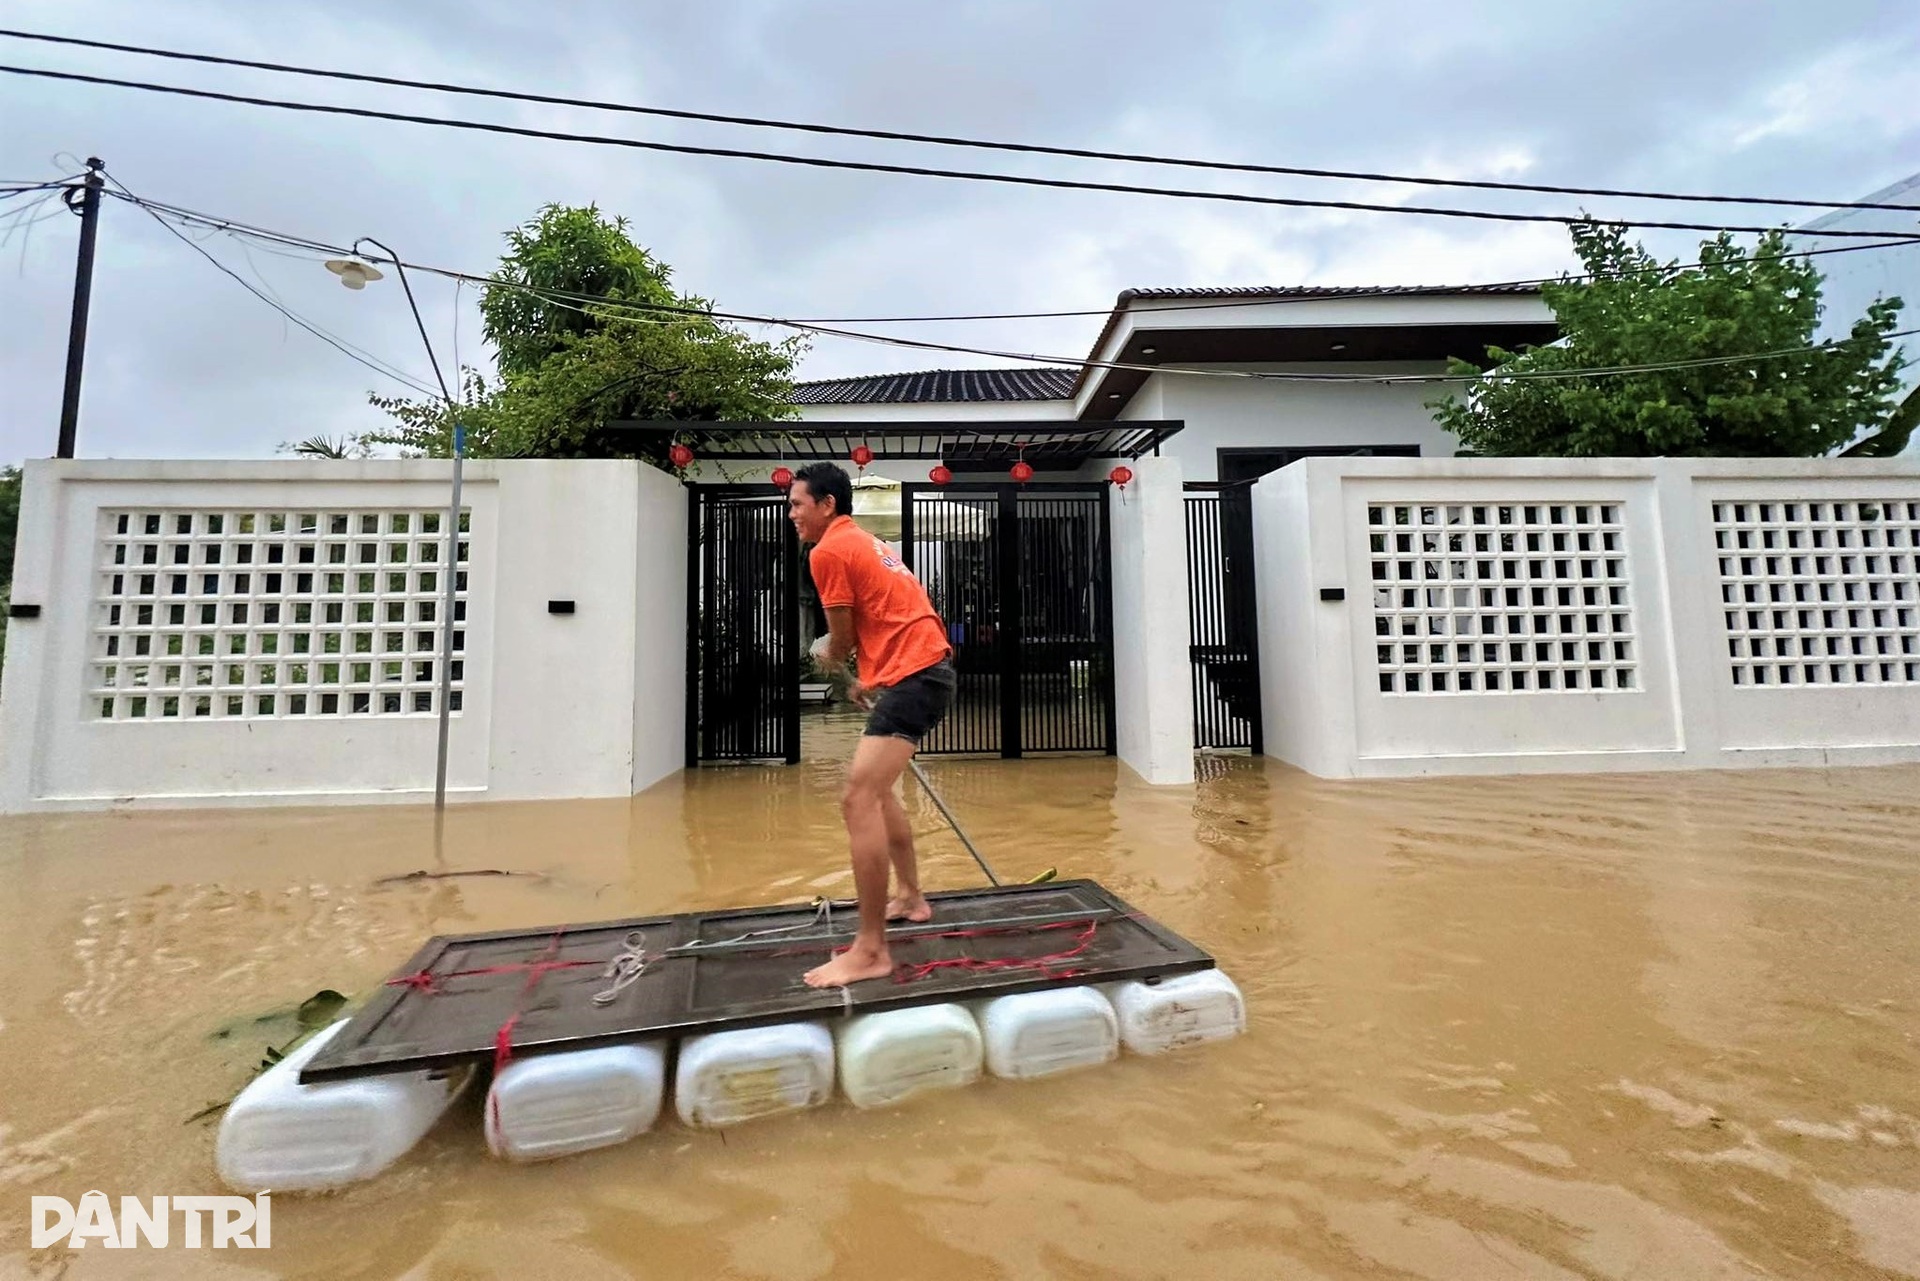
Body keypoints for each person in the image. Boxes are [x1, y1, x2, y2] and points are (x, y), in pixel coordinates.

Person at [787, 461, 956, 988]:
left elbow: (841, 636)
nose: (790, 513)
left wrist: (830, 659)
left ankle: (870, 951)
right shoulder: (865, 541)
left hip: (918, 677)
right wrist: (868, 676)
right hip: (924, 671)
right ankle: (910, 898)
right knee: (879, 796)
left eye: (797, 504)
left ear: (827, 505)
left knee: (856, 799)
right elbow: (884, 618)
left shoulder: (828, 551)